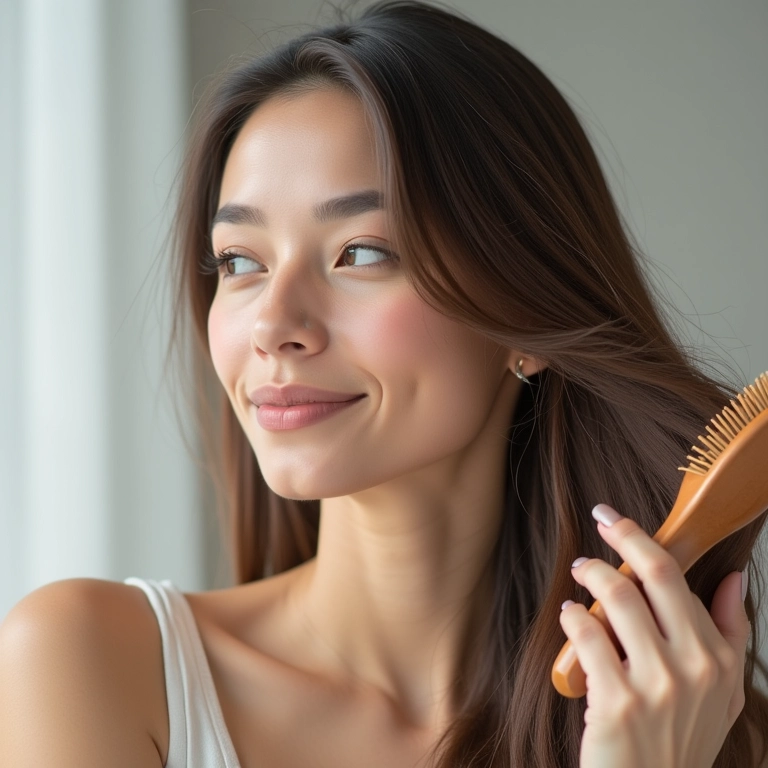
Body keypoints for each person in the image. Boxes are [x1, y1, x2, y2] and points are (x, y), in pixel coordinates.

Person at [1, 1, 766, 766]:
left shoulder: (699, 726)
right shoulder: (89, 663)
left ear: (522, 319)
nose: (273, 324)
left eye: (361, 253)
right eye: (240, 261)